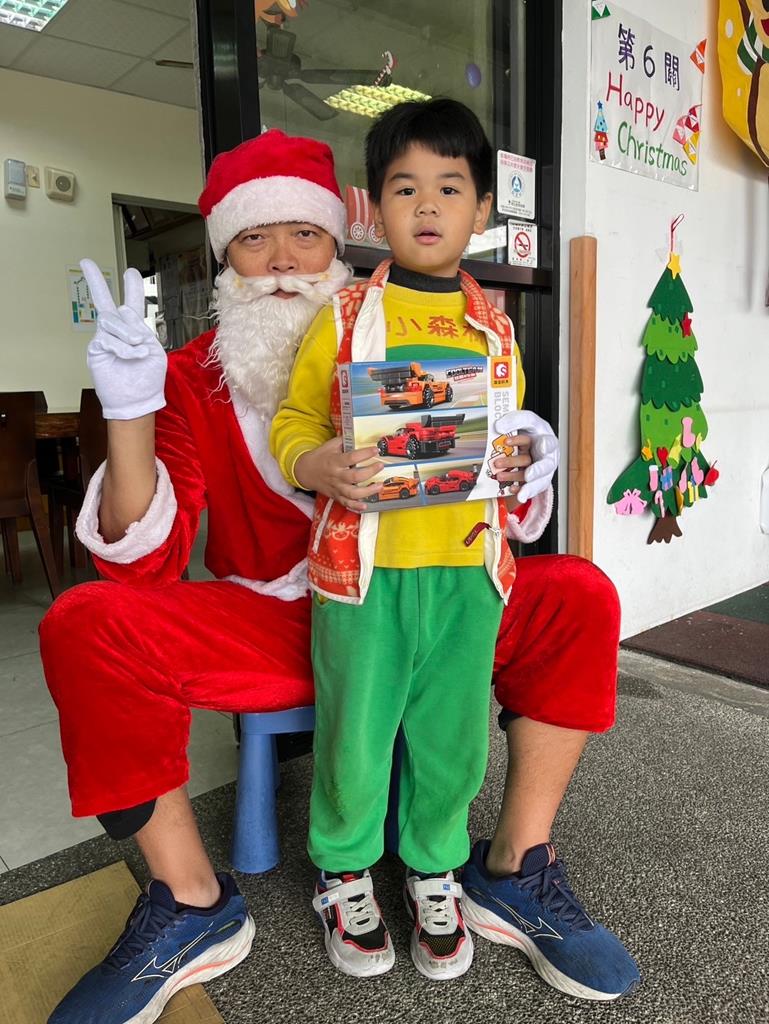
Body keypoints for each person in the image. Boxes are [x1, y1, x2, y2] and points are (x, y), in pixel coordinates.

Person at [39, 128, 636, 1023]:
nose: (282, 260)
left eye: (304, 235)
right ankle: (190, 903)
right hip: (274, 616)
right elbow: (144, 560)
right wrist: (130, 412)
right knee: (85, 621)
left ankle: (514, 868)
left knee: (579, 593)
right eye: (254, 238)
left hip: (433, 586)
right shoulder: (188, 377)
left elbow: (484, 491)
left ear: (337, 244)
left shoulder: (417, 325)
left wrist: (520, 462)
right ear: (226, 258)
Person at [271, 97, 533, 982]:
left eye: (449, 188)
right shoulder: (344, 316)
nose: (426, 205)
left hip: (468, 569)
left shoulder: (495, 327)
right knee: (354, 732)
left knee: (453, 737)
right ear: (372, 208)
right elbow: (295, 421)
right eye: (404, 186)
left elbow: (506, 438)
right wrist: (316, 464)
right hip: (364, 574)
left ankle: (433, 867)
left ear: (482, 209)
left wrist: (517, 459)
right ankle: (343, 871)